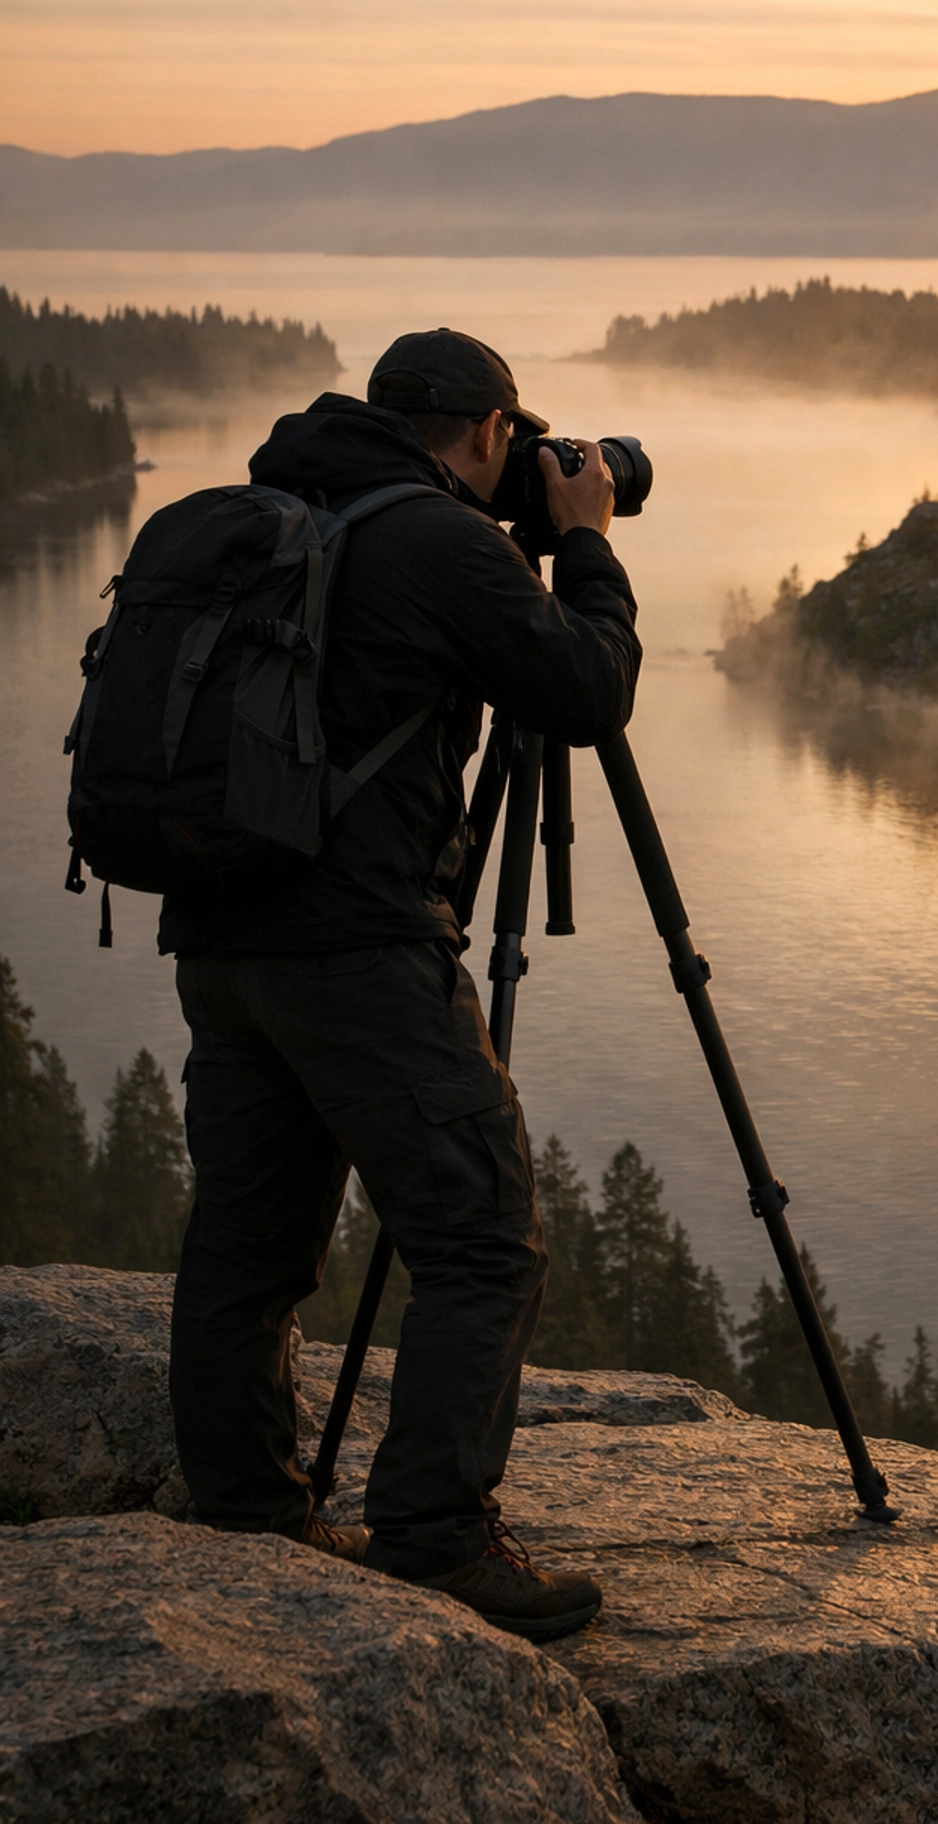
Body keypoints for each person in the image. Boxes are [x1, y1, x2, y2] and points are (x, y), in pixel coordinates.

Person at [166, 327, 641, 1641]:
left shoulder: (286, 505)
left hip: (221, 938)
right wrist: (587, 541)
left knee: (248, 1245)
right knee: (483, 1238)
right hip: (358, 949)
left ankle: (246, 1514)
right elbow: (588, 691)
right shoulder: (439, 546)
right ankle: (435, 1537)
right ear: (490, 434)